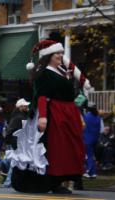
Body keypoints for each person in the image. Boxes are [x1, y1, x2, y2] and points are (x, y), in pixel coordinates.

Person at [9, 40, 92, 194]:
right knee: (57, 149)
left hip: (68, 113)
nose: (61, 55)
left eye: (61, 53)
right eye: (57, 53)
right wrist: (43, 117)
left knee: (70, 147)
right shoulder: (44, 73)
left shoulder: (61, 71)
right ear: (49, 56)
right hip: (56, 114)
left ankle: (61, 180)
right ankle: (54, 182)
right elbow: (42, 96)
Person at [83, 102, 101, 178]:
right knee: (91, 155)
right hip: (95, 138)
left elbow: (83, 127)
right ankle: (93, 173)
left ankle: (88, 171)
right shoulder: (98, 117)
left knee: (88, 155)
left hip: (87, 138)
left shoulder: (87, 116)